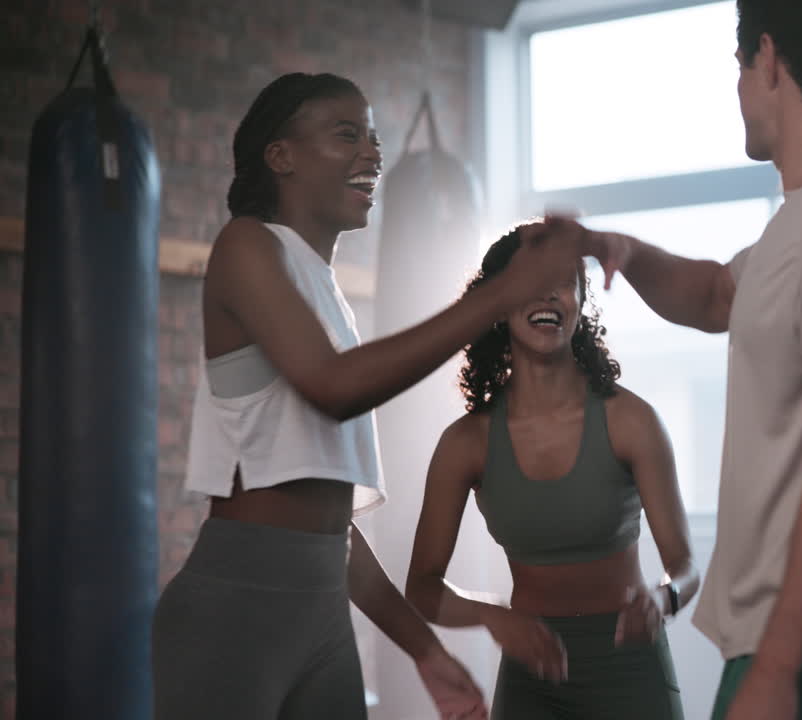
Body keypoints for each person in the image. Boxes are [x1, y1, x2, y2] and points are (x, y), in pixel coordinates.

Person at [151, 72, 583, 720]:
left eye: (375, 137)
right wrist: (500, 294)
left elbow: (332, 529)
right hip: (235, 611)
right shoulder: (246, 243)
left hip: (322, 614)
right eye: (347, 134)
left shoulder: (328, 296)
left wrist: (425, 650)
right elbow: (335, 387)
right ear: (281, 156)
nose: (373, 152)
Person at [549, 1, 802, 718]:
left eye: (738, 66)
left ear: (768, 59)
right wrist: (623, 252)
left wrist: (778, 671)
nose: (737, 86)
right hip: (786, 649)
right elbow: (717, 295)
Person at [404, 228, 699, 720]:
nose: (547, 294)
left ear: (581, 301)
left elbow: (685, 566)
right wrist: (493, 616)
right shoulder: (465, 443)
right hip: (532, 675)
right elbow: (422, 587)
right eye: (530, 280)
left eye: (562, 281)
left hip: (630, 667)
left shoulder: (632, 420)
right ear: (498, 303)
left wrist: (663, 597)